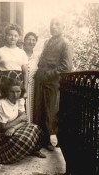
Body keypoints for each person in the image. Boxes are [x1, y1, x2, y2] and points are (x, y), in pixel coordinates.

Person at [33, 18, 73, 157]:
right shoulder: (47, 42)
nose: (53, 27)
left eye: (57, 24)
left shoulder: (65, 43)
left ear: (63, 26)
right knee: (38, 109)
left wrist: (50, 73)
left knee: (51, 111)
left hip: (52, 81)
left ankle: (51, 140)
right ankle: (39, 140)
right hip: (41, 79)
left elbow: (66, 66)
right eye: (51, 25)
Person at [0, 78, 46, 164]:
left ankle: (32, 150)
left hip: (13, 128)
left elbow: (25, 120)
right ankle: (7, 156)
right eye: (12, 92)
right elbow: (3, 127)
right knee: (24, 140)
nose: (15, 95)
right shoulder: (2, 103)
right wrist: (20, 119)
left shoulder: (20, 100)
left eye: (18, 92)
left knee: (35, 128)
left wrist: (13, 127)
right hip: (4, 134)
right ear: (6, 91)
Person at [0, 24, 28, 98]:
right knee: (4, 105)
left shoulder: (22, 52)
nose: (13, 38)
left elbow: (25, 72)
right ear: (5, 36)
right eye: (10, 35)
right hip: (4, 82)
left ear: (18, 38)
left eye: (16, 36)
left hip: (18, 83)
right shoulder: (0, 51)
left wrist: (25, 89)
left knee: (19, 105)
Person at [23, 32, 39, 123]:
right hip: (21, 86)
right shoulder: (19, 53)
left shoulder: (37, 57)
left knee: (32, 109)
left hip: (33, 87)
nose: (31, 42)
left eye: (33, 40)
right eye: (28, 39)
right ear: (24, 41)